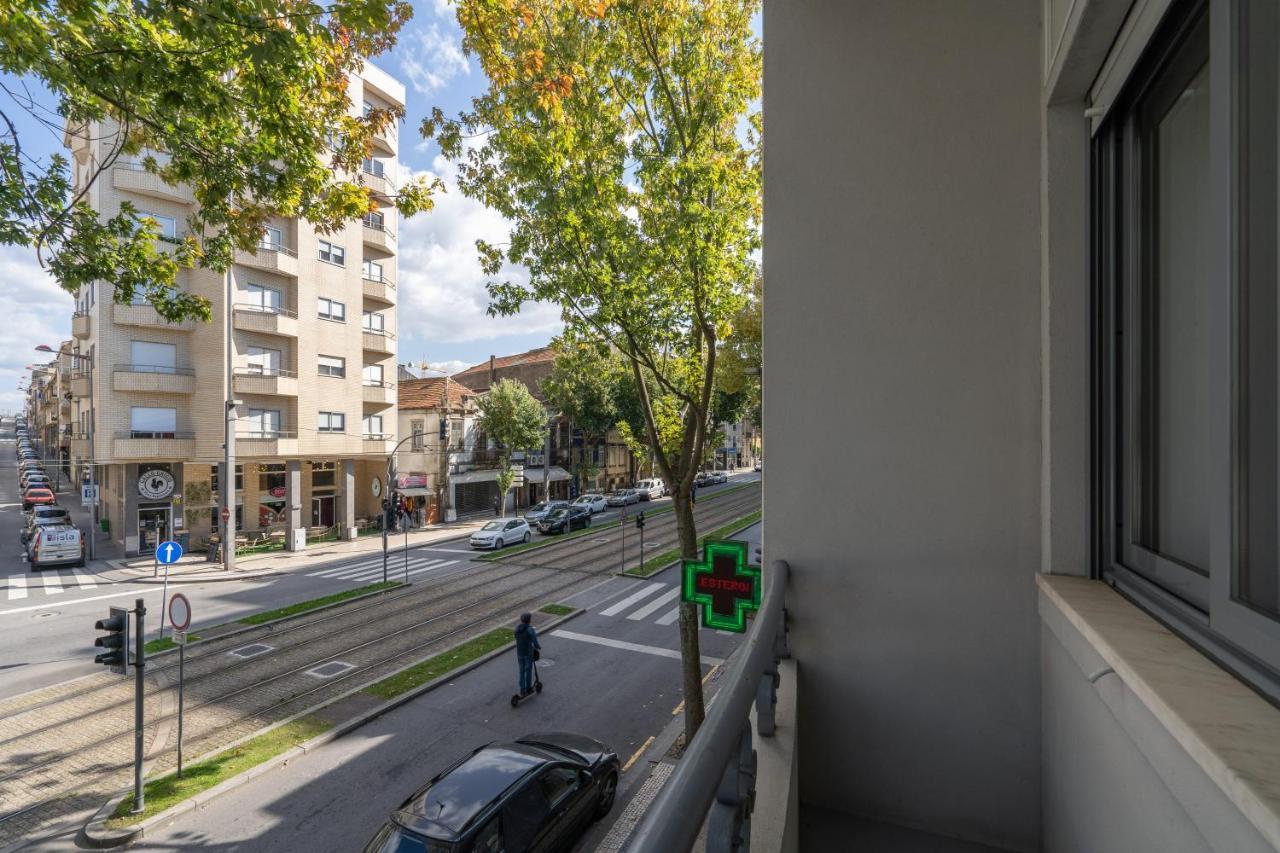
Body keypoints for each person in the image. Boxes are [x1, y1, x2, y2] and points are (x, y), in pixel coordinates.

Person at [514, 612, 541, 696]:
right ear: (529, 620)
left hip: (519, 653)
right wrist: (538, 647)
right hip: (528, 653)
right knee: (528, 671)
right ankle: (528, 688)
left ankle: (522, 689)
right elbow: (535, 641)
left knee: (521, 671)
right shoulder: (530, 629)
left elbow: (516, 638)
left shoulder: (517, 628)